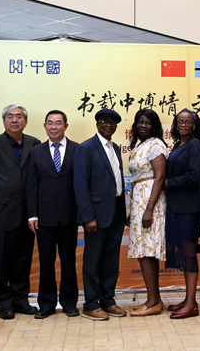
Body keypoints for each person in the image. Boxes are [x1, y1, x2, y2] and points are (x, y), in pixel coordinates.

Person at [0, 104, 41, 320]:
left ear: (26, 121)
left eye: (19, 116)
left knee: (23, 259)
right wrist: (0, 198)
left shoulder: (35, 144)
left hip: (28, 213)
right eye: (10, 117)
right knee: (0, 259)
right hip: (2, 211)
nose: (14, 120)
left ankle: (20, 300)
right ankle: (1, 301)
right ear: (4, 121)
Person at [74, 109, 128, 321]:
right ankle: (90, 304)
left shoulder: (115, 148)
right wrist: (88, 217)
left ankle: (108, 300)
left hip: (116, 213)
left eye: (112, 123)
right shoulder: (86, 148)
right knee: (92, 261)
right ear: (97, 124)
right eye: (104, 122)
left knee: (111, 261)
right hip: (96, 216)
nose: (108, 125)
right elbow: (81, 185)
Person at [26, 110, 80, 319]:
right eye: (50, 123)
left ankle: (69, 303)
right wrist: (32, 215)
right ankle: (46, 304)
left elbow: (81, 184)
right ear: (45, 126)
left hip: (69, 215)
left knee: (68, 261)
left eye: (58, 123)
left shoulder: (77, 149)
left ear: (66, 126)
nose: (54, 127)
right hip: (44, 217)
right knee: (46, 262)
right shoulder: (36, 152)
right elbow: (31, 185)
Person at [165, 109, 200, 319]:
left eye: (188, 122)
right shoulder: (178, 145)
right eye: (180, 121)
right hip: (175, 207)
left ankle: (191, 304)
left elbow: (193, 176)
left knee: (189, 254)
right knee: (182, 253)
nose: (183, 124)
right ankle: (189, 299)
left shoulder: (194, 145)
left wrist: (168, 183)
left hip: (188, 208)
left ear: (194, 125)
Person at [127, 109, 168, 317]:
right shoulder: (139, 145)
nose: (143, 126)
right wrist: (132, 210)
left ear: (154, 126)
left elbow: (159, 177)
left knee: (148, 252)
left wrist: (149, 209)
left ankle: (153, 301)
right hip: (139, 202)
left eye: (148, 123)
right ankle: (154, 299)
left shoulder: (156, 145)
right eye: (140, 122)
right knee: (144, 252)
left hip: (151, 203)